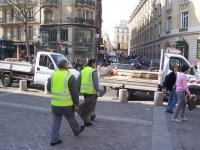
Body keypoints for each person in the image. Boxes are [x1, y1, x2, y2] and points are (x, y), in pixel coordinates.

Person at [47, 59, 84, 146]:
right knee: (71, 118)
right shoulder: (69, 76)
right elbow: (75, 92)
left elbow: (49, 88)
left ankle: (54, 139)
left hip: (55, 104)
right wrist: (76, 104)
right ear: (65, 66)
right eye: (67, 64)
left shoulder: (53, 75)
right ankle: (77, 131)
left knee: (56, 121)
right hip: (67, 105)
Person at [78, 57, 99, 127]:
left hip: (85, 91)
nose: (95, 64)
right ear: (92, 63)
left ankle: (92, 115)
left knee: (88, 105)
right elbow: (96, 82)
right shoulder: (93, 71)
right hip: (91, 91)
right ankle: (86, 120)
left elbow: (78, 81)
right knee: (90, 106)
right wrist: (97, 91)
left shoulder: (83, 70)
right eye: (95, 63)